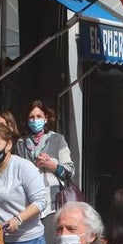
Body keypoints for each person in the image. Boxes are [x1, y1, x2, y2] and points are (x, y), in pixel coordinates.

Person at [15, 100, 76, 236]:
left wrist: (51, 165)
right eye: (31, 117)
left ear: (46, 119)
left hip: (52, 203)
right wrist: (34, 166)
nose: (35, 120)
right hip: (28, 203)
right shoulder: (20, 143)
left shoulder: (57, 139)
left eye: (39, 117)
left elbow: (70, 172)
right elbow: (17, 173)